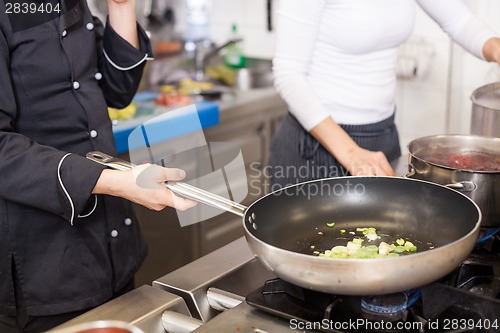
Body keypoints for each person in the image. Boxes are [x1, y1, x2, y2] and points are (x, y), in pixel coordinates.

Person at [0, 1, 195, 332]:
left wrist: (121, 7)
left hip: (112, 243)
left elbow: (117, 90)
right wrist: (115, 183)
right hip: (46, 264)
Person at [268, 0, 500, 188]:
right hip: (319, 144)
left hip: (382, 137)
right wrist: (351, 154)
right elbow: (288, 75)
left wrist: (496, 49)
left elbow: (459, 21)